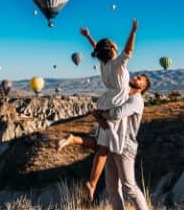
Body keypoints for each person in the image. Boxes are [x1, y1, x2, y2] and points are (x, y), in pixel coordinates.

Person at [58, 19, 138, 200]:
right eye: (113, 44)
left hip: (107, 101)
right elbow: (129, 50)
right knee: (104, 148)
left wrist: (88, 37)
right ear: (111, 49)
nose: (116, 44)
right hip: (116, 104)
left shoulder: (104, 64)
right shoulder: (117, 64)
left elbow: (97, 47)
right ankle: (92, 183)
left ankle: (74, 139)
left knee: (100, 143)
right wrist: (133, 31)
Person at [58, 74, 150, 210]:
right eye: (136, 76)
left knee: (129, 186)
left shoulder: (136, 100)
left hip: (125, 147)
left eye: (139, 78)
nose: (135, 77)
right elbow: (110, 121)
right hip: (112, 143)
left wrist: (102, 114)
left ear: (142, 87)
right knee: (112, 187)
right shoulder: (123, 98)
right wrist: (101, 116)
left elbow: (117, 113)